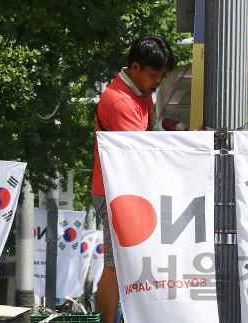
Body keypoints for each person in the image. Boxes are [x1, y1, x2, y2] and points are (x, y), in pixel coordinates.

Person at [92, 35, 174, 323]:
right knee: (116, 265)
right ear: (135, 67)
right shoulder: (120, 102)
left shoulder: (139, 94)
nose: (158, 82)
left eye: (162, 76)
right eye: (154, 75)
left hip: (127, 190)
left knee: (127, 264)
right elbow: (140, 154)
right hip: (116, 192)